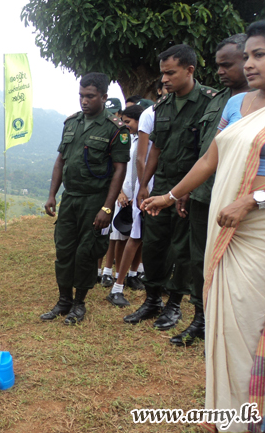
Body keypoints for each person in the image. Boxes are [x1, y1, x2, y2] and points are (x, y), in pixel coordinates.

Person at [143, 20, 265, 432]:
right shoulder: (236, 106)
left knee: (250, 327)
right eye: (247, 55)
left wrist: (254, 199)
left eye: (259, 55)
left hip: (257, 235)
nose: (249, 64)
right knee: (224, 328)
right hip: (223, 229)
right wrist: (170, 195)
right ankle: (227, 414)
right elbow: (209, 160)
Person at [124, 44, 217, 329]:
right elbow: (156, 149)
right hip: (161, 184)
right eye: (162, 73)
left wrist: (187, 190)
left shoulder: (210, 102)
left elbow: (208, 153)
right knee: (154, 244)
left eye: (169, 73)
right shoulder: (161, 106)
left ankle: (174, 305)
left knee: (182, 249)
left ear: (189, 70)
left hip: (191, 188)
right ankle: (152, 300)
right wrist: (143, 186)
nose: (163, 79)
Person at [170, 34, 249, 347]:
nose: (220, 71)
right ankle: (201, 321)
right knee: (200, 261)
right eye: (218, 66)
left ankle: (232, 328)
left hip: (241, 199)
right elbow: (203, 152)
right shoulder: (219, 101)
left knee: (237, 266)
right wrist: (187, 190)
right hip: (205, 196)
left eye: (227, 65)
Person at [42, 72, 130, 325]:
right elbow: (61, 160)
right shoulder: (71, 123)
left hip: (95, 199)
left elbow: (119, 169)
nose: (84, 101)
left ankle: (79, 304)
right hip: (70, 198)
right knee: (64, 249)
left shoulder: (115, 129)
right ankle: (63, 301)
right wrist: (52, 195)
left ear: (103, 97)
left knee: (86, 252)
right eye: (81, 96)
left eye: (90, 96)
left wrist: (107, 207)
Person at [105, 104, 146, 307]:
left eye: (128, 122)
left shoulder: (146, 139)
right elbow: (119, 167)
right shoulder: (126, 139)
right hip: (126, 195)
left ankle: (132, 274)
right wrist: (121, 192)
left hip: (141, 196)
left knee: (138, 238)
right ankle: (116, 281)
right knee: (122, 237)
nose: (125, 125)